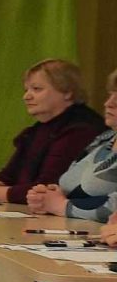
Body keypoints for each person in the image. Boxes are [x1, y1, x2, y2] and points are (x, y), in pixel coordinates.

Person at [0, 58, 103, 204]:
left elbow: (46, 188)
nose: (26, 96)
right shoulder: (40, 128)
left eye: (37, 89)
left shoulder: (81, 129)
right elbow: (10, 175)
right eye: (26, 90)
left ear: (68, 92)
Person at [25, 70, 117, 222]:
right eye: (110, 95)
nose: (108, 103)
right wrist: (45, 196)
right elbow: (68, 186)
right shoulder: (105, 139)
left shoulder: (82, 127)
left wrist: (61, 206)